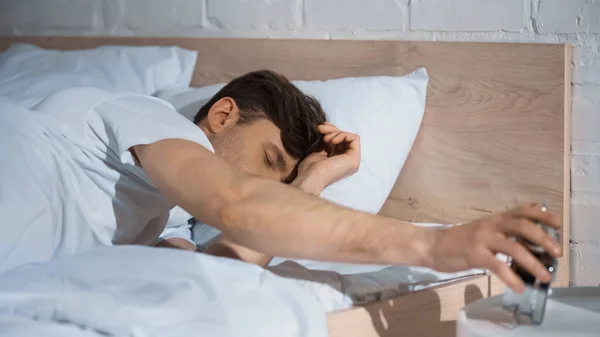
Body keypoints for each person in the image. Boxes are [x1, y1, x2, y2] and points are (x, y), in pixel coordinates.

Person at [0, 70, 561, 293]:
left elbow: (214, 272)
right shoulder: (151, 119)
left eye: (280, 176)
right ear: (221, 116)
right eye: (270, 158)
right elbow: (239, 203)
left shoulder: (159, 214)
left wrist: (311, 180)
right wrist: (437, 244)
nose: (265, 183)